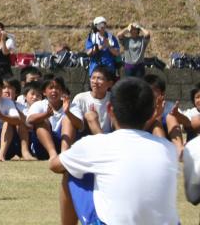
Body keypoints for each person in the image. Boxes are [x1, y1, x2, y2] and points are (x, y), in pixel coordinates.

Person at [52, 78, 178, 225]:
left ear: (110, 109)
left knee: (71, 172)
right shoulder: (168, 148)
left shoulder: (96, 144)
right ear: (152, 113)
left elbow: (55, 165)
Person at [65, 65, 116, 141]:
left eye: (99, 79)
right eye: (93, 78)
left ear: (110, 84)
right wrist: (68, 112)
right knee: (90, 115)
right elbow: (79, 125)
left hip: (109, 137)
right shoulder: (80, 98)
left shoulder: (113, 98)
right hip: (87, 138)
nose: (95, 82)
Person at [27, 76, 71, 160]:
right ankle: (53, 154)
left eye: (57, 88)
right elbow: (30, 119)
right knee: (42, 121)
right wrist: (45, 115)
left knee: (68, 119)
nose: (54, 90)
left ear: (62, 91)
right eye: (51, 88)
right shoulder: (38, 104)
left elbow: (80, 125)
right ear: (44, 92)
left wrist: (68, 112)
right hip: (42, 148)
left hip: (64, 143)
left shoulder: (70, 105)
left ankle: (64, 155)